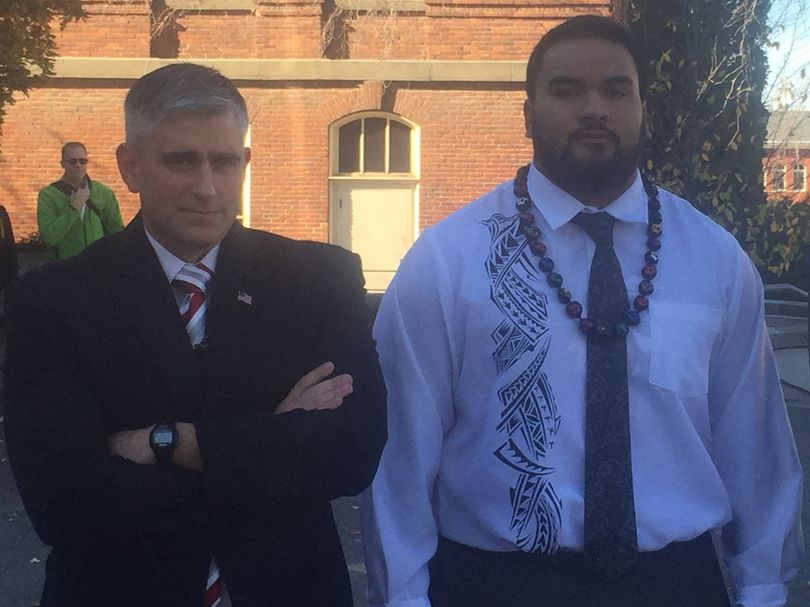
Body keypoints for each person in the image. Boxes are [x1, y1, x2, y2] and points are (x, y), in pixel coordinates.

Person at [361, 15, 803, 607]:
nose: (594, 107)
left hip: (675, 585)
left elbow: (755, 445)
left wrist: (763, 589)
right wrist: (403, 597)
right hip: (494, 584)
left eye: (616, 90)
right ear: (527, 114)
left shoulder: (714, 261)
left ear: (644, 108)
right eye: (566, 90)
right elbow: (400, 456)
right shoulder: (447, 261)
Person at [4, 63, 386, 606]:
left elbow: (352, 452)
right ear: (130, 166)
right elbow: (65, 503)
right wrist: (270, 441)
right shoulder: (54, 300)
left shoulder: (319, 280)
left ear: (246, 163)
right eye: (181, 161)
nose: (207, 188)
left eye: (225, 162)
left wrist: (168, 442)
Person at [37, 141, 124, 259]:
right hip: (65, 265)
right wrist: (72, 210)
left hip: (98, 263)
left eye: (83, 161)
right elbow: (49, 237)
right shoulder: (48, 195)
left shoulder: (103, 192)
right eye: (72, 161)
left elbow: (116, 231)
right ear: (63, 164)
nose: (78, 165)